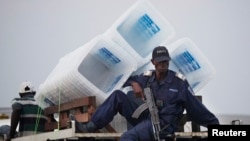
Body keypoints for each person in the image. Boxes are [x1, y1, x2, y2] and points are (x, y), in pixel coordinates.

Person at [71, 46, 219, 141]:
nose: (163, 65)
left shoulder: (178, 83)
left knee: (127, 138)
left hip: (162, 126)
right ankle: (89, 128)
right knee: (118, 96)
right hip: (146, 117)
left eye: (166, 62)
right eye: (160, 62)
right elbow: (123, 80)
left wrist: (214, 126)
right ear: (153, 62)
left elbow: (196, 107)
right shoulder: (147, 77)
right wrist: (134, 83)